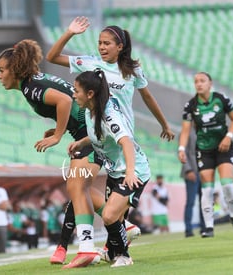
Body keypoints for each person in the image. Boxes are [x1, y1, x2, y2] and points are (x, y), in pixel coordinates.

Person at [46, 16, 175, 261]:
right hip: (101, 138)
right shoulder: (91, 65)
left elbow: (147, 98)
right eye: (100, 42)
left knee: (110, 208)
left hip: (120, 139)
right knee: (82, 186)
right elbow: (51, 58)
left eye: (107, 43)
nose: (102, 47)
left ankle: (111, 249)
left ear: (120, 47)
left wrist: (164, 124)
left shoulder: (132, 71)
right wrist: (69, 33)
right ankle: (99, 246)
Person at [0, 39, 104, 268]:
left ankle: (87, 249)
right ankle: (121, 228)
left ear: (14, 70)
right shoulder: (34, 82)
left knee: (76, 187)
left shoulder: (30, 88)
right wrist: (59, 128)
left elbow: (65, 100)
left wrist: (57, 136)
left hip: (90, 133)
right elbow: (66, 100)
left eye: (1, 70)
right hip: (89, 129)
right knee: (79, 188)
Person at [69, 69, 151, 267]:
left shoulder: (108, 114)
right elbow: (101, 136)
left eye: (76, 90)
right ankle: (113, 252)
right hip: (116, 171)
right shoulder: (90, 111)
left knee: (109, 215)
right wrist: (81, 143)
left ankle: (124, 257)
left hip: (133, 171)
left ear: (90, 94)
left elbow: (126, 142)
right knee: (117, 218)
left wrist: (130, 173)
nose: (73, 94)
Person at [178, 72, 233, 238]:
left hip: (223, 147)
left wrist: (228, 136)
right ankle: (208, 227)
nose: (198, 84)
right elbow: (185, 131)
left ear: (210, 83)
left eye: (202, 81)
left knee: (227, 184)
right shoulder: (191, 105)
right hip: (204, 150)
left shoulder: (221, 99)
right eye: (196, 81)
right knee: (207, 189)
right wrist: (181, 149)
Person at [180, 129, 206, 237]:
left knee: (204, 202)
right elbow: (183, 152)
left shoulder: (205, 132)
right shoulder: (186, 133)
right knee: (190, 202)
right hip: (192, 173)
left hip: (204, 173)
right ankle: (188, 230)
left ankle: (205, 227)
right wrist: (188, 170)